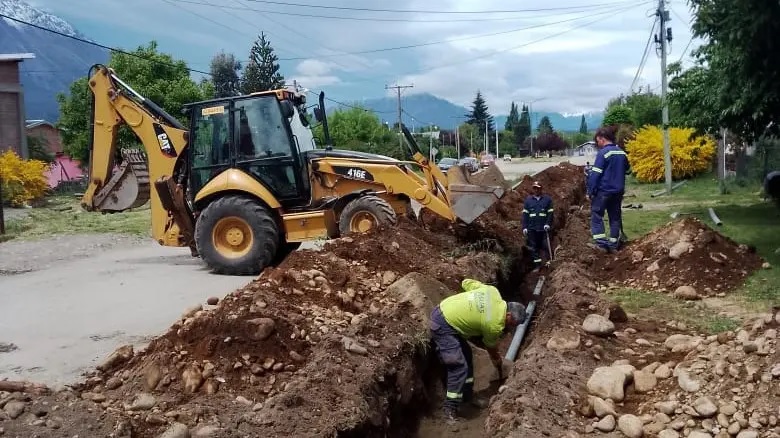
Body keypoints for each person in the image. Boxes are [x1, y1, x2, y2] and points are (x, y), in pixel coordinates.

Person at [429, 279, 525, 422]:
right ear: (509, 315)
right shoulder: (494, 324)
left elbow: (466, 282)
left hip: (444, 310)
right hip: (444, 325)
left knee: (467, 356)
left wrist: (469, 306)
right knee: (458, 366)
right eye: (512, 323)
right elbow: (490, 346)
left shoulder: (493, 292)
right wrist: (497, 360)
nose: (510, 327)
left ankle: (467, 396)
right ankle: (450, 409)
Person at [587, 126, 630, 251]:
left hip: (603, 191)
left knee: (597, 215)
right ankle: (613, 244)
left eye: (597, 141)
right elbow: (627, 169)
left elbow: (595, 175)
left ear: (602, 138)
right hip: (618, 191)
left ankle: (601, 244)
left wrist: (590, 191)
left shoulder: (603, 153)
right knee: (615, 217)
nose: (597, 144)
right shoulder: (621, 152)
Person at [522, 181, 554, 271]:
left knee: (546, 245)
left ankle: (549, 262)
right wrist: (524, 227)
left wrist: (548, 224)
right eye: (534, 188)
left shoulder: (547, 199)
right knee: (533, 247)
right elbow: (525, 215)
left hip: (543, 228)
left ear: (541, 189)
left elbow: (550, 214)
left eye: (538, 188)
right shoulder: (528, 201)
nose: (536, 190)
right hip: (532, 228)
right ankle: (537, 265)